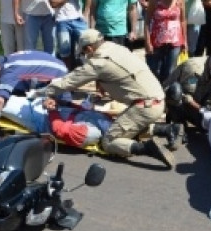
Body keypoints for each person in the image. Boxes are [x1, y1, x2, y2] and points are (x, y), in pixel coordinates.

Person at [42, 29, 180, 169]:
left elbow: (69, 82)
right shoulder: (117, 48)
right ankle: (168, 129)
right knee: (125, 124)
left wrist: (46, 93)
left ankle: (147, 149)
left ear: (89, 48)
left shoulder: (98, 63)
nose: (85, 56)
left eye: (84, 52)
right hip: (157, 98)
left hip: (144, 106)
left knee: (109, 141)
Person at [163, 42, 211, 133]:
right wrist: (201, 109)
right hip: (176, 100)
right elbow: (184, 95)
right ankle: (178, 125)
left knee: (207, 126)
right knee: (175, 90)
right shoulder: (194, 68)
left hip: (195, 104)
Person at [0, 50, 72, 111]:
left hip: (59, 80)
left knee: (62, 111)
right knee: (14, 90)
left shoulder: (8, 73)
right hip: (58, 68)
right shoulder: (10, 60)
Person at [144, 0, 187, 83]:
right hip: (157, 41)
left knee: (170, 71)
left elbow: (183, 20)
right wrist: (147, 42)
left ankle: (166, 92)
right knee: (155, 70)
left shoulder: (180, 1)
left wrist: (185, 41)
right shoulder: (154, 2)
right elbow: (147, 21)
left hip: (175, 42)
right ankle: (156, 92)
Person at [49, 0, 88, 70]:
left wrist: (86, 12)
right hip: (61, 20)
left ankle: (87, 70)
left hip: (78, 19)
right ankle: (67, 72)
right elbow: (53, 4)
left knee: (87, 44)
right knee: (64, 51)